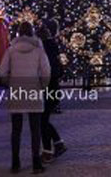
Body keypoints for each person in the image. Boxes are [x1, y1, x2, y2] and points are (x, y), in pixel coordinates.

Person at [0, 22, 50, 174]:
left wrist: (10, 83)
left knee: (16, 129)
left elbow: (2, 71)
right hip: (33, 89)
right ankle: (36, 163)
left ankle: (15, 163)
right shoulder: (38, 50)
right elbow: (46, 71)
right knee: (35, 129)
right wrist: (42, 86)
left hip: (17, 90)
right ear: (32, 33)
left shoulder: (11, 50)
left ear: (18, 33)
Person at [39, 20, 66, 163]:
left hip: (46, 88)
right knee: (43, 120)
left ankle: (50, 149)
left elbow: (47, 71)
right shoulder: (53, 47)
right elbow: (59, 71)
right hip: (52, 88)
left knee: (42, 120)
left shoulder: (43, 49)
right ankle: (56, 144)